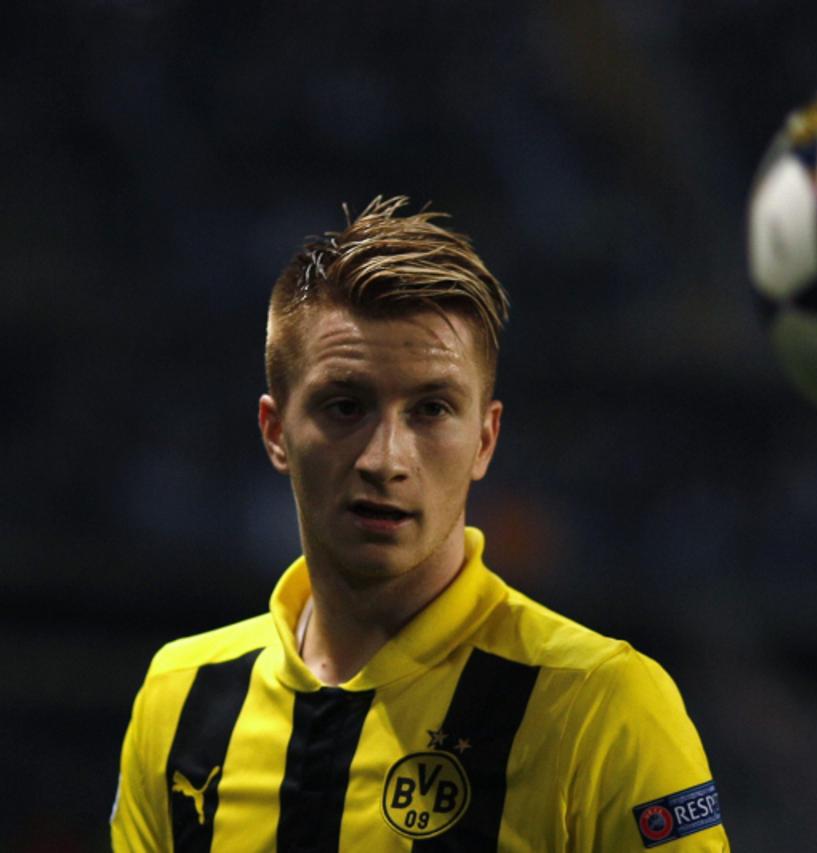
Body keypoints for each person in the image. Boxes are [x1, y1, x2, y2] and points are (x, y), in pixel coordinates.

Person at [110, 196, 728, 851]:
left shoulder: (604, 705)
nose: (384, 460)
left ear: (485, 440)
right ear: (275, 431)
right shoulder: (179, 698)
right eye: (345, 406)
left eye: (431, 409)